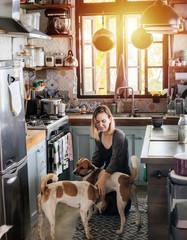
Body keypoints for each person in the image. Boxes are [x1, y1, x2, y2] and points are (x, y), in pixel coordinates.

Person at [91, 105, 131, 215]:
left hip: (121, 179)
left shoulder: (119, 135)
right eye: (97, 122)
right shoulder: (99, 137)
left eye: (103, 121)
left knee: (114, 211)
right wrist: (88, 175)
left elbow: (115, 161)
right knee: (101, 209)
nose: (100, 125)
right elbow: (96, 162)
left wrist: (102, 180)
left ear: (110, 119)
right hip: (107, 176)